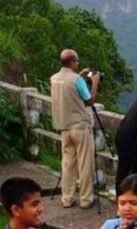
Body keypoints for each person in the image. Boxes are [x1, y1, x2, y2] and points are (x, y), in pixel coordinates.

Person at [50, 48, 100, 209]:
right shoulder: (76, 80)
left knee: (68, 163)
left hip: (64, 126)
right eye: (76, 61)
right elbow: (89, 100)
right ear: (72, 62)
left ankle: (67, 198)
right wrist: (95, 83)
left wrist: (81, 75)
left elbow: (69, 86)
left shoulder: (54, 78)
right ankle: (86, 199)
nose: (78, 64)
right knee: (85, 163)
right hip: (80, 126)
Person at [116, 99, 137, 187]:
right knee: (128, 170)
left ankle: (121, 197)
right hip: (131, 138)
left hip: (123, 134)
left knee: (123, 170)